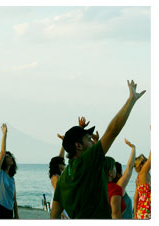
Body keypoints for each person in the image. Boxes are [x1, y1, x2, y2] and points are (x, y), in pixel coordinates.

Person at [51, 80, 146, 219]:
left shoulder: (64, 178)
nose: (92, 143)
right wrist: (131, 100)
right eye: (88, 140)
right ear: (78, 146)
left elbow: (53, 214)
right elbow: (112, 132)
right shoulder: (86, 162)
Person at [0, 123, 19, 219]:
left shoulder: (12, 178)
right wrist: (4, 134)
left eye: (10, 156)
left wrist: (17, 214)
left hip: (9, 210)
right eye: (7, 157)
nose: (10, 158)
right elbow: (2, 153)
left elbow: (14, 198)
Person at [113, 138, 136, 219]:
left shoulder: (106, 186)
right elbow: (129, 167)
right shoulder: (119, 187)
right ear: (119, 175)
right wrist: (133, 148)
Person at [134, 152, 151, 219]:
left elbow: (136, 198)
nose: (147, 161)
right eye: (145, 161)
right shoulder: (143, 173)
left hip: (142, 211)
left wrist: (135, 214)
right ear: (141, 165)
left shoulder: (140, 177)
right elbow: (151, 159)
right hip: (147, 210)